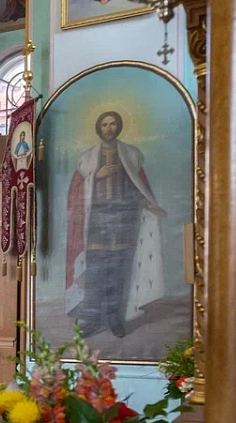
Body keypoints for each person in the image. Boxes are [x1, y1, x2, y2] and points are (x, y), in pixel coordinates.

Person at [66, 110, 167, 339]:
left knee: (119, 272)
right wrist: (97, 176)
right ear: (98, 128)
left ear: (118, 127)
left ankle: (115, 319)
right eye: (104, 125)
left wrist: (150, 205)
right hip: (96, 224)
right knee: (95, 273)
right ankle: (92, 319)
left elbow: (137, 186)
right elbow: (75, 192)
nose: (109, 128)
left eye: (113, 124)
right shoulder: (88, 158)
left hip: (124, 222)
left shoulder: (130, 155)